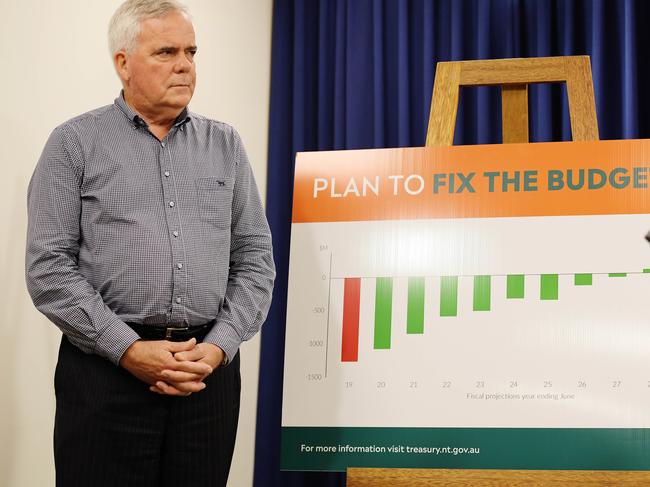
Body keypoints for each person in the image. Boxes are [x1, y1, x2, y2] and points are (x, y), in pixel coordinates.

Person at [25, 0, 275, 485]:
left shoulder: (225, 144)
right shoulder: (74, 143)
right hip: (106, 376)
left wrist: (220, 346)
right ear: (123, 63)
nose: (185, 65)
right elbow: (48, 269)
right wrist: (128, 349)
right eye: (166, 52)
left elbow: (255, 261)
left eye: (191, 52)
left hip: (206, 377)